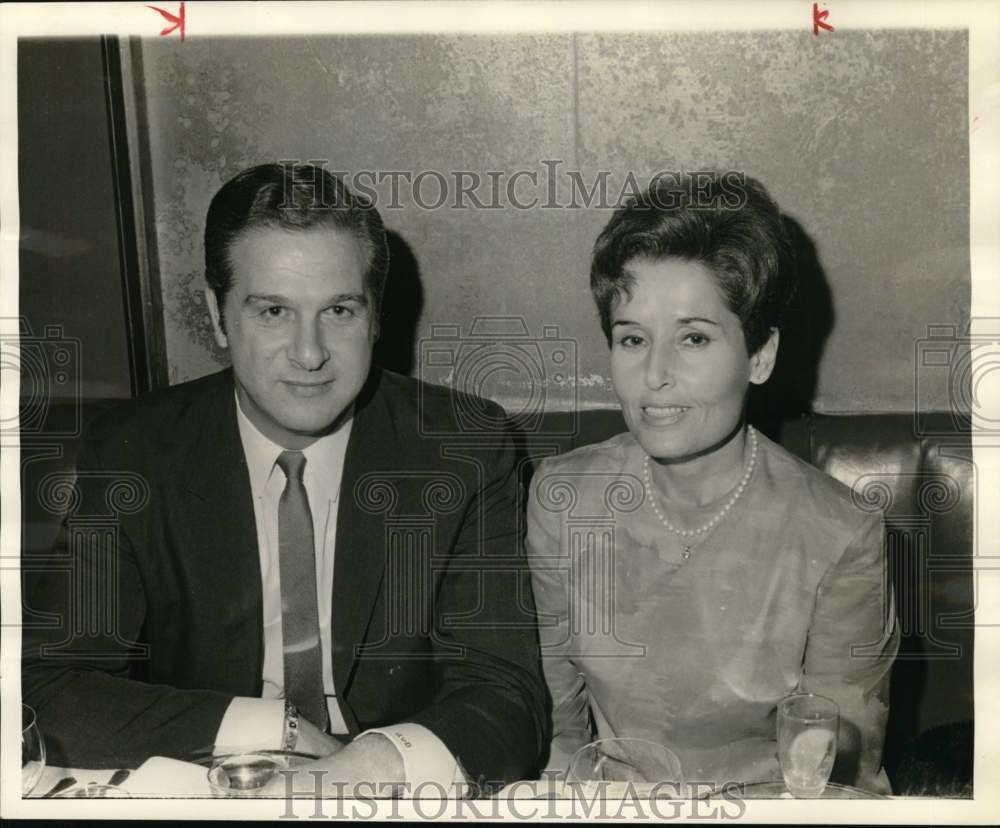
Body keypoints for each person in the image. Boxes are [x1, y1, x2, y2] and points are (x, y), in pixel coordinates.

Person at [22, 163, 547, 794]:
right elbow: (45, 685)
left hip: (390, 791)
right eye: (273, 310)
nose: (309, 353)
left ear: (376, 318)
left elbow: (506, 696)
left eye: (339, 311)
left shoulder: (462, 445)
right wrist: (277, 728)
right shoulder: (134, 452)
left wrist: (361, 768)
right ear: (217, 318)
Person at [526, 173, 899, 794]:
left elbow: (837, 774)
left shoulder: (840, 533)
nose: (655, 375)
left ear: (760, 356)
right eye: (633, 339)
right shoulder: (563, 500)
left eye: (693, 338)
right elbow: (560, 737)